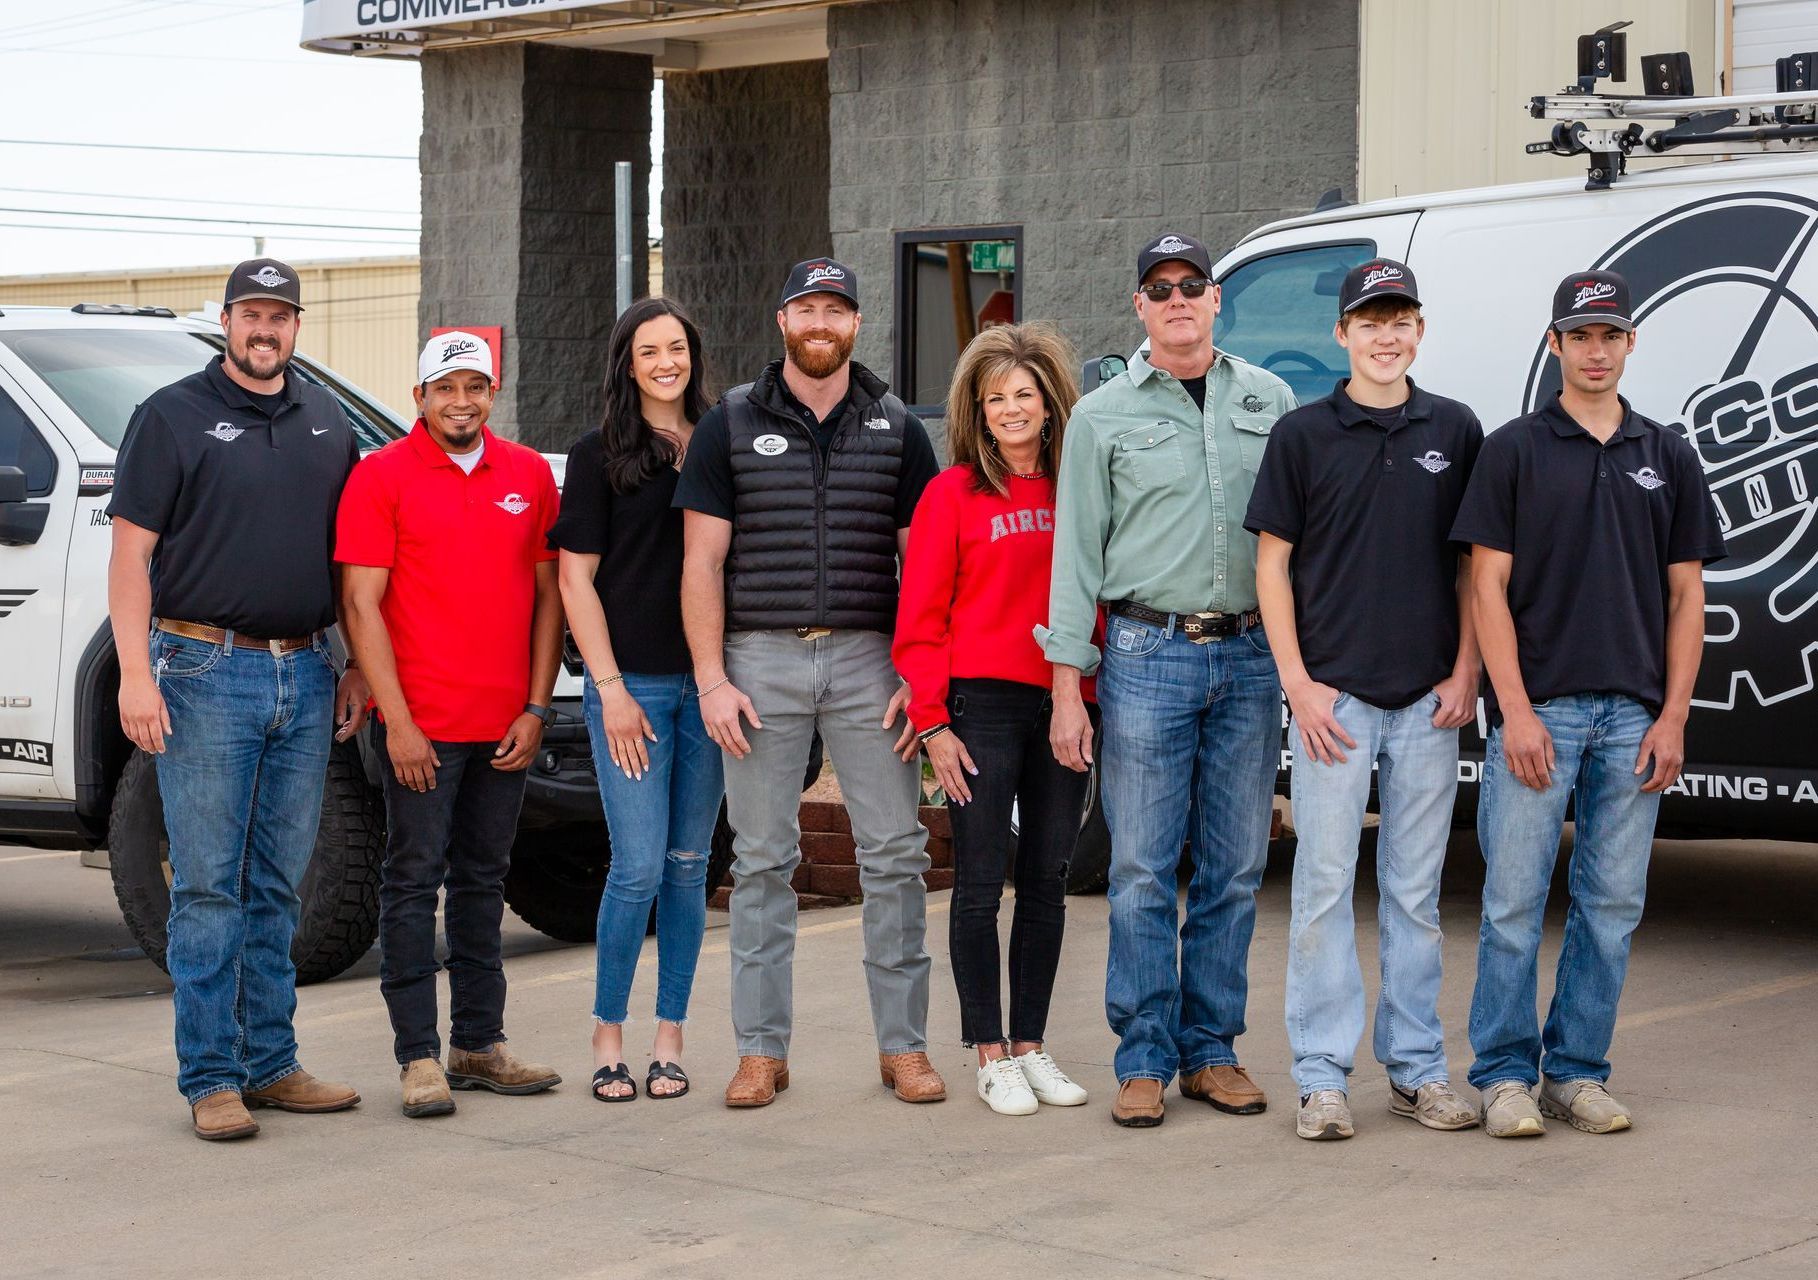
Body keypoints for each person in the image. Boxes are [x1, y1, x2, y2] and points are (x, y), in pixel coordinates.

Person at [1451, 270, 1726, 1137]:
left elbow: (1689, 599)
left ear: (1631, 342)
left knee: (1611, 906)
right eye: (1580, 335)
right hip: (1546, 715)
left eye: (1610, 334)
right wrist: (1517, 711)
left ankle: (1575, 1072)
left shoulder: (1667, 453)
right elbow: (1485, 588)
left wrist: (1673, 715)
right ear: (1555, 345)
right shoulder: (1514, 449)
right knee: (1512, 904)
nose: (1596, 350)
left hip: (1636, 720)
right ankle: (1502, 1076)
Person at [107, 258, 366, 1141]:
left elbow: (347, 564)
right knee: (209, 888)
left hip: (306, 670)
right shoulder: (169, 416)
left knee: (276, 886)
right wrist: (136, 674)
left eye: (281, 316)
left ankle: (272, 1063)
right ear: (226, 322)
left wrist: (356, 663)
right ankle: (211, 1077)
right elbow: (131, 555)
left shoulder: (327, 421)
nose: (267, 330)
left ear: (297, 326)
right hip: (201, 671)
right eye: (252, 315)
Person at [675, 257, 943, 1108]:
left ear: (856, 324)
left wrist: (921, 677)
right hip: (759, 660)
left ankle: (903, 1047)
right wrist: (712, 679)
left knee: (897, 856)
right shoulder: (728, 422)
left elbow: (926, 568)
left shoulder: (900, 429)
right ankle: (761, 1050)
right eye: (806, 309)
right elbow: (702, 563)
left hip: (871, 660)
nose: (820, 323)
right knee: (760, 861)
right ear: (783, 321)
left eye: (837, 310)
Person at [1045, 232, 1296, 1128]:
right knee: (1143, 871)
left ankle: (1213, 1053)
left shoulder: (1271, 399)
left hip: (1252, 656)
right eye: (1162, 288)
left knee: (1233, 869)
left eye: (1194, 284)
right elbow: (1075, 557)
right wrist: (1069, 686)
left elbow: (1296, 545)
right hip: (1148, 657)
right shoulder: (1102, 416)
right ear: (1141, 308)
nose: (1179, 299)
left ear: (1217, 299)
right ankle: (1144, 1057)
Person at [1245, 259, 1484, 1141]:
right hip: (1334, 706)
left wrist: (1466, 673)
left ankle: (1419, 1072)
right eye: (1370, 321)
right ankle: (1321, 1078)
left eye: (1401, 320)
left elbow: (1474, 568)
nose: (1386, 336)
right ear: (1341, 334)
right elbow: (1272, 566)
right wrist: (1298, 685)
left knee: (1417, 897)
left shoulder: (1455, 430)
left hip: (1427, 702)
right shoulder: (1304, 435)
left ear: (1419, 331)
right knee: (1321, 888)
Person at [336, 331, 565, 1119]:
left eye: (476, 386)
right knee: (411, 884)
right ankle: (418, 1057)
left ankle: (479, 1043)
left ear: (492, 393)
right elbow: (360, 604)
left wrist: (536, 708)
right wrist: (396, 723)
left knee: (482, 882)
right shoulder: (380, 476)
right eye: (446, 388)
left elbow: (549, 600)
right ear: (420, 398)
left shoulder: (530, 475)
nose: (461, 402)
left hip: (504, 726)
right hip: (420, 729)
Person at [894, 323, 1097, 1117]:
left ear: (1049, 406)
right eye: (995, 399)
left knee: (1047, 880)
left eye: (1024, 395)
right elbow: (921, 619)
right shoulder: (952, 495)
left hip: (1067, 701)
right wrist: (935, 722)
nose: (1011, 410)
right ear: (976, 414)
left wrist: (1082, 691)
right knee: (980, 884)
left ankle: (1032, 1044)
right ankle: (988, 1050)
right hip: (980, 707)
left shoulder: (1079, 489)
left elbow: (1097, 597)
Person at [550, 297, 723, 1103]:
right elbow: (573, 580)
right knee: (637, 867)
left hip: (712, 687)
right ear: (627, 363)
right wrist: (610, 689)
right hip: (637, 688)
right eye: (649, 349)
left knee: (690, 868)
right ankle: (608, 1032)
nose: (665, 361)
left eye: (677, 347)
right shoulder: (598, 455)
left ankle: (670, 1036)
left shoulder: (723, 441)